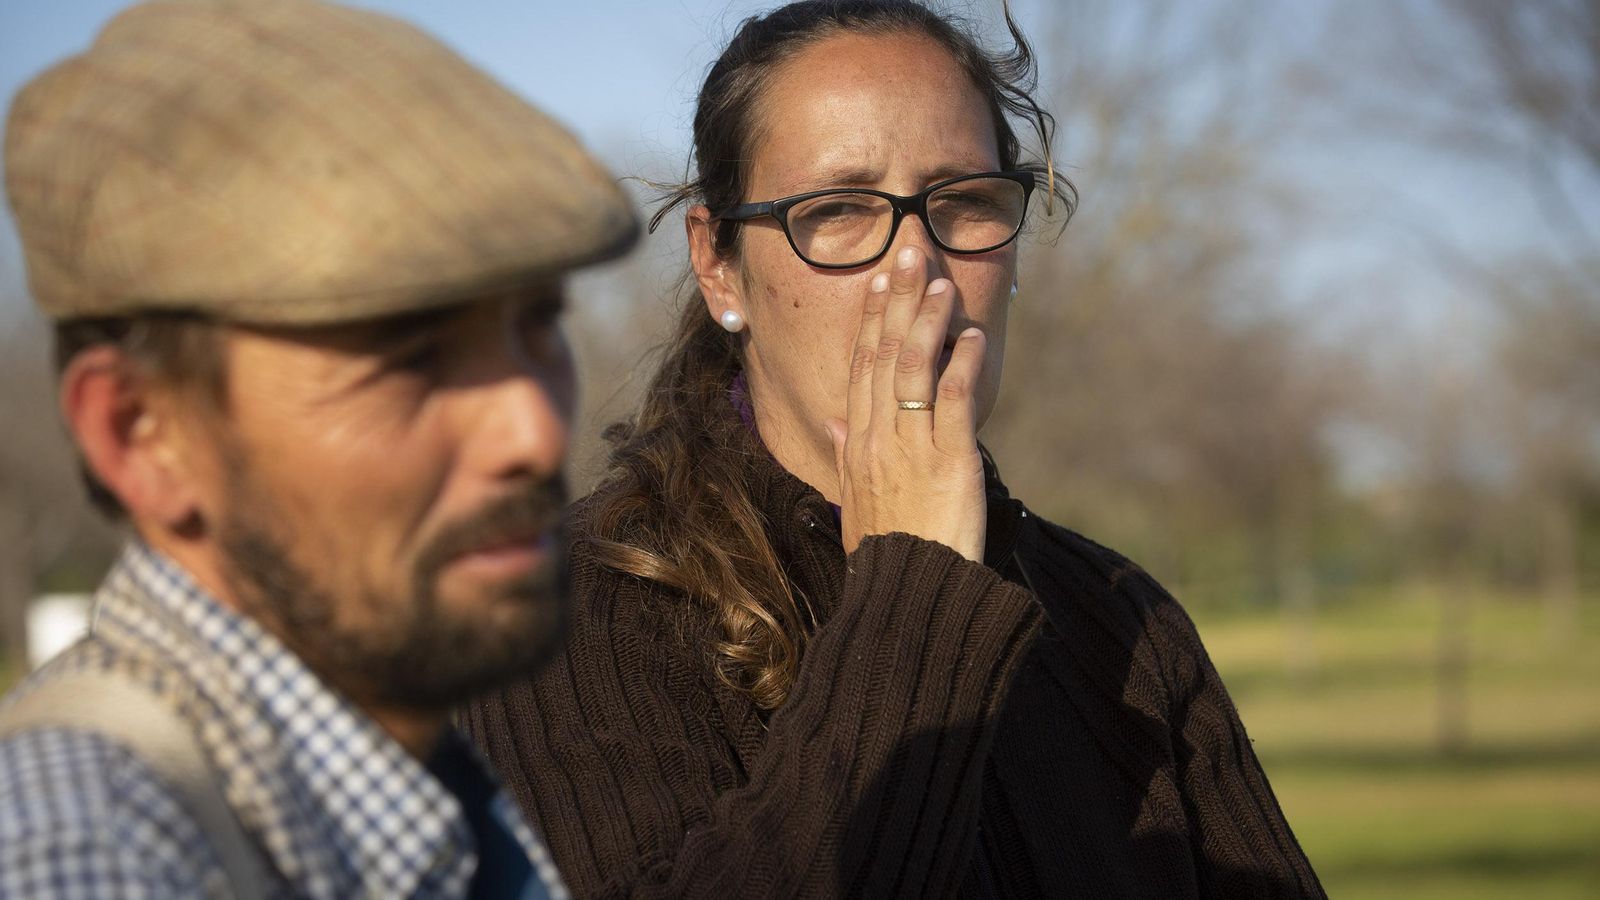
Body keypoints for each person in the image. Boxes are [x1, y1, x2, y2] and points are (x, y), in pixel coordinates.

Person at [462, 1, 1327, 898]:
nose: (916, 265)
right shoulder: (563, 615)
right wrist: (915, 583)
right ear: (720, 265)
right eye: (836, 209)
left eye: (964, 201)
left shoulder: (1122, 624)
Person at [0, 1, 636, 897]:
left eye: (538, 326)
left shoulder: (409, 785)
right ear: (141, 434)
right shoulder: (100, 857)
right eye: (408, 360)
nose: (532, 432)